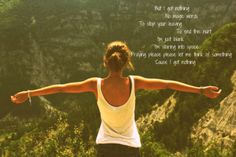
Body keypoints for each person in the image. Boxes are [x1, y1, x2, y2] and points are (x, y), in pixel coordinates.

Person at [11, 41, 221, 157]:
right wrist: (201, 89)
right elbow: (168, 84)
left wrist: (28, 94)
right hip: (130, 148)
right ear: (127, 63)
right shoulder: (134, 82)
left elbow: (60, 89)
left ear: (105, 62)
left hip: (105, 147)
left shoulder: (96, 85)